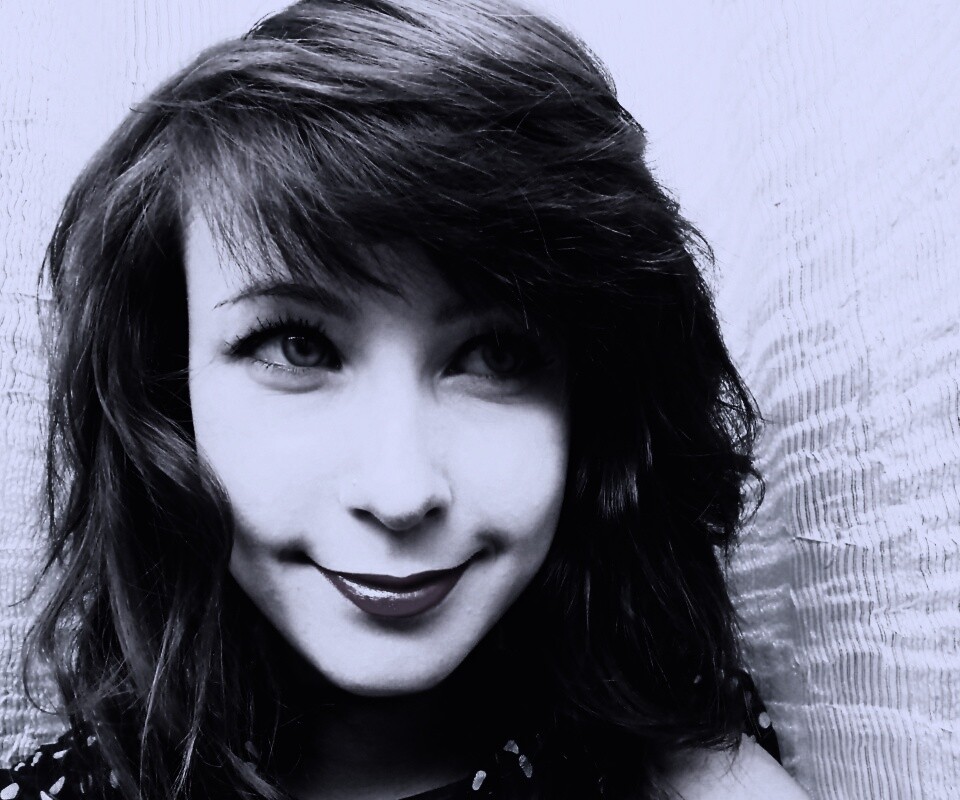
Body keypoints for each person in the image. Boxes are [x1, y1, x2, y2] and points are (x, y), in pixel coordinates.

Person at [3, 1, 810, 798]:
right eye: (298, 347)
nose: (400, 493)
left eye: (495, 356)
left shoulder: (698, 775)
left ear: (593, 403)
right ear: (168, 387)